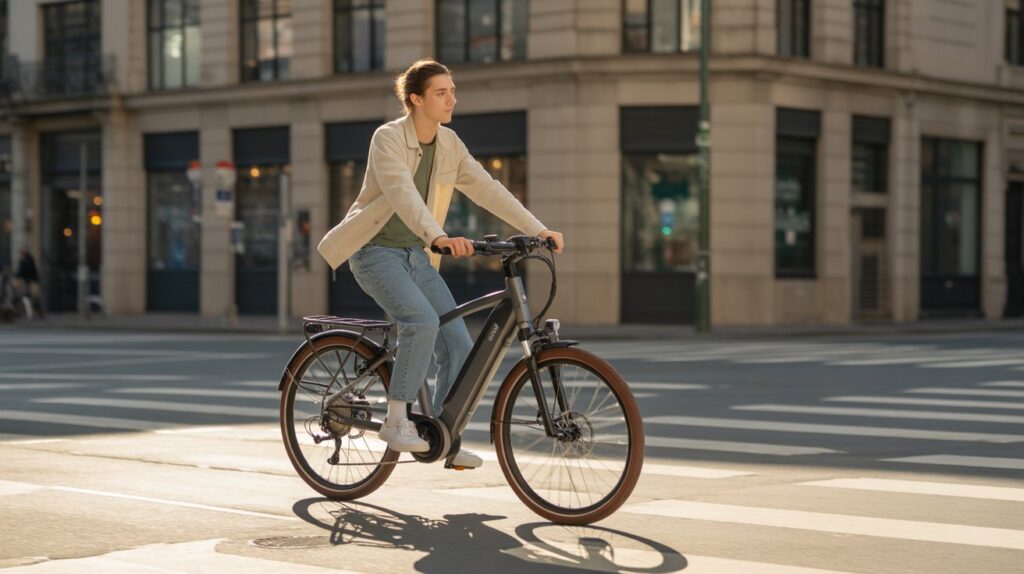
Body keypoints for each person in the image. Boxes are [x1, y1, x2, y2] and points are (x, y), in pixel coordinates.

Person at [317, 59, 564, 468]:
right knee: (421, 322)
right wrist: (439, 236)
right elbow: (402, 194)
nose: (452, 98)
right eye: (441, 92)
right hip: (375, 252)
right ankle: (397, 421)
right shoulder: (388, 138)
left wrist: (539, 229)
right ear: (415, 99)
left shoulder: (449, 144)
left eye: (452, 90)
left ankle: (444, 435)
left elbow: (488, 188)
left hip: (416, 257)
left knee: (460, 344)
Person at [15, 247, 44, 319]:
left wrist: (18, 277)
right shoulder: (26, 260)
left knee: (30, 298)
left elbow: (26, 271)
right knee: (29, 298)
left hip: (29, 281)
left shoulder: (27, 260)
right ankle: (31, 313)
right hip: (29, 281)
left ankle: (32, 313)